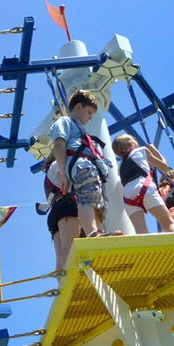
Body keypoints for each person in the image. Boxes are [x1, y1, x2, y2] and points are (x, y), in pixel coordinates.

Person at [50, 90, 119, 238]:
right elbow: (59, 144)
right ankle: (92, 232)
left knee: (98, 205)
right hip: (81, 166)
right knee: (87, 199)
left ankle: (99, 232)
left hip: (92, 169)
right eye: (89, 112)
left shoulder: (81, 130)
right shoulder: (65, 122)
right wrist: (63, 173)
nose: (90, 117)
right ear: (79, 106)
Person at [111, 134, 174, 234]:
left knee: (140, 230)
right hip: (145, 188)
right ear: (131, 143)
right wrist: (155, 151)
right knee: (167, 222)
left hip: (128, 196)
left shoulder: (120, 167)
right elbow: (164, 167)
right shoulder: (142, 151)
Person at [43, 154, 83, 270]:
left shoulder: (47, 178)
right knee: (69, 248)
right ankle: (71, 273)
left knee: (61, 256)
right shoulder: (57, 165)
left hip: (55, 212)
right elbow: (65, 183)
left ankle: (63, 278)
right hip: (67, 206)